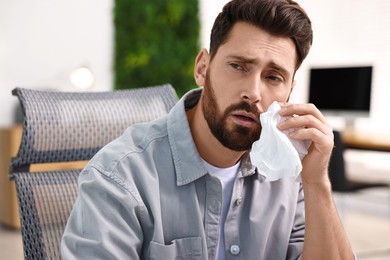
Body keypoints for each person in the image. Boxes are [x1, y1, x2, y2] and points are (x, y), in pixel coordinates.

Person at [61, 0, 355, 259]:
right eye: (238, 66)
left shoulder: (290, 172)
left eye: (273, 77)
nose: (253, 92)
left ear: (289, 92)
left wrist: (317, 182)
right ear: (203, 67)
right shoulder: (120, 175)